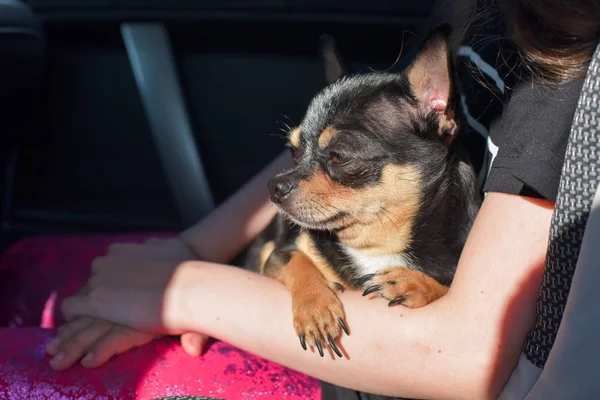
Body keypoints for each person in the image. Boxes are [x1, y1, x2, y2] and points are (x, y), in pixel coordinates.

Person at [45, 0, 600, 398]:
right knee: (50, 290)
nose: (296, 178)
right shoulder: (474, 16)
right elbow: (346, 133)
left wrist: (181, 293)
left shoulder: (561, 75)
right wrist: (191, 248)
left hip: (396, 355)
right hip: (299, 292)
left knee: (42, 371)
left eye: (335, 164)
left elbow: (463, 357)